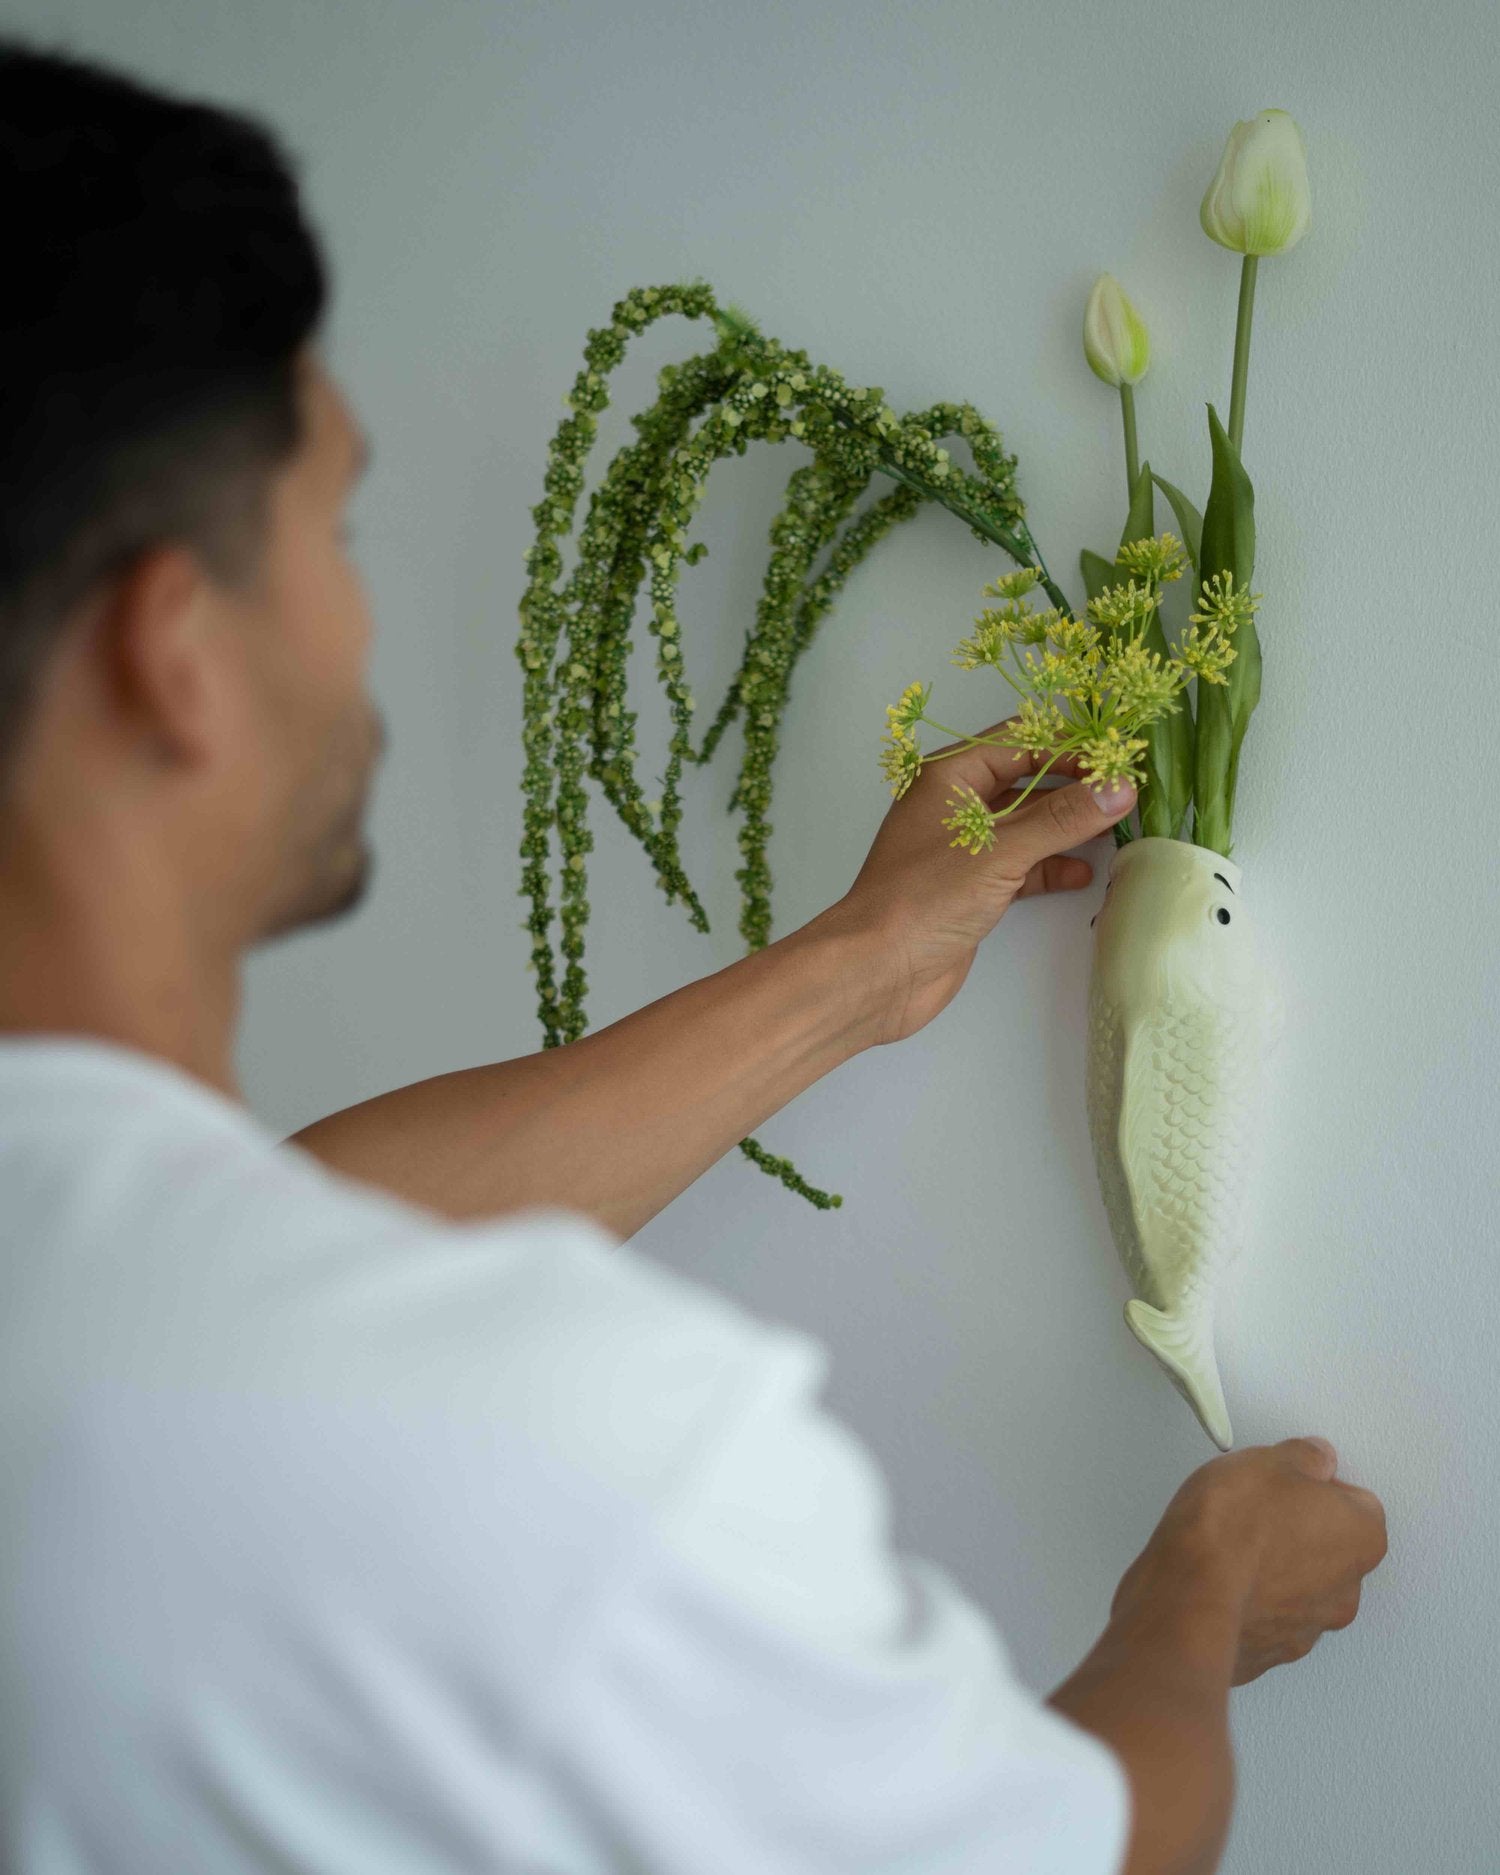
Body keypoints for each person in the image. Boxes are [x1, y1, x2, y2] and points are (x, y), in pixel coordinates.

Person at [0, 31, 1387, 1875]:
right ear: (171, 648)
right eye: (330, 525)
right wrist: (1195, 1607)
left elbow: (293, 1231)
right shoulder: (532, 1438)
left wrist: (868, 964)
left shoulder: (99, 1289)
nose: (354, 608)